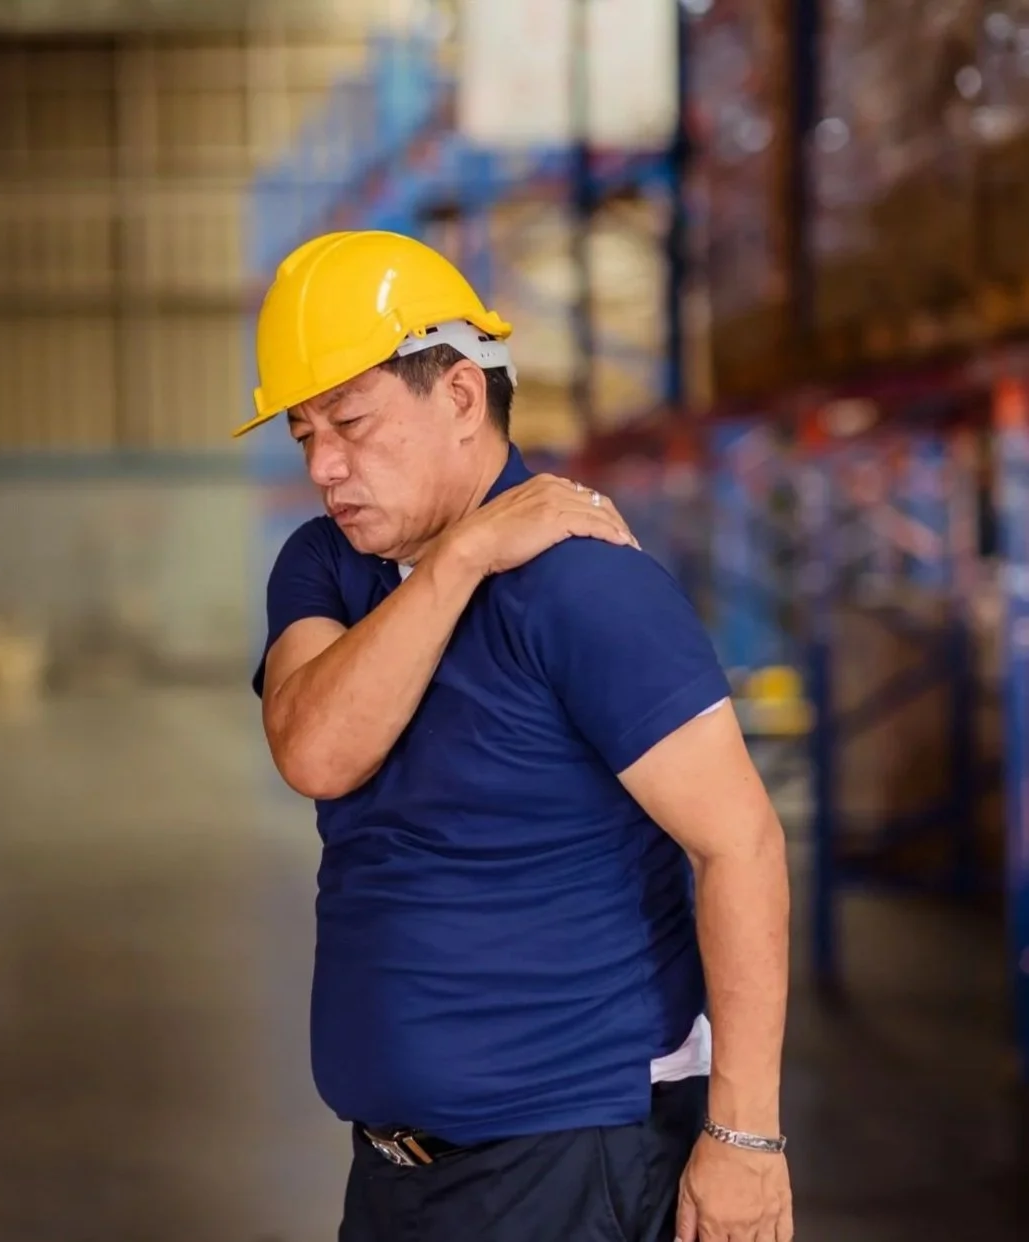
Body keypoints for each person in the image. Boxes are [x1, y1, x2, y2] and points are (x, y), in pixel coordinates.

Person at [238, 230, 794, 1242]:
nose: (325, 466)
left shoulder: (585, 588)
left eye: (352, 423)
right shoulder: (327, 567)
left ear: (458, 396)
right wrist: (461, 561)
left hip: (569, 1158)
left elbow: (741, 845)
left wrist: (746, 1138)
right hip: (397, 1171)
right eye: (304, 433)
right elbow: (316, 749)